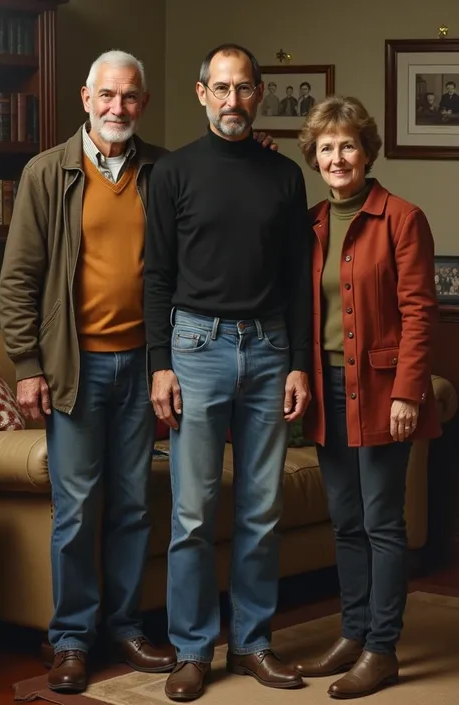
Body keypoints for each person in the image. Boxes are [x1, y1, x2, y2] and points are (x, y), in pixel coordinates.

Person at [0, 49, 178, 694]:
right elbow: (18, 277)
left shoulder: (164, 171)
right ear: (84, 97)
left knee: (132, 505)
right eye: (106, 96)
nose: (117, 108)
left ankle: (125, 626)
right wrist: (27, 364)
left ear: (144, 103)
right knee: (75, 509)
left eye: (129, 97)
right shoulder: (48, 173)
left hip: (144, 367)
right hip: (73, 370)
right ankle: (71, 639)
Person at [144, 43, 312, 701]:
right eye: (221, 88)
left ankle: (252, 642)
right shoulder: (174, 173)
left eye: (244, 88)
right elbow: (156, 275)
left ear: (260, 95)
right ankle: (192, 649)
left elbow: (298, 277)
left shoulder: (285, 175)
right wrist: (160, 364)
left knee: (261, 508)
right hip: (195, 348)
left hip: (270, 350)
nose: (233, 100)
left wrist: (298, 362)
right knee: (193, 511)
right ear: (201, 93)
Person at [295, 96, 441, 699]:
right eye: (326, 148)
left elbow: (419, 311)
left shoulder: (402, 218)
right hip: (328, 390)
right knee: (346, 521)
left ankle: (382, 649)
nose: (337, 157)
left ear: (367, 152)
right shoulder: (310, 223)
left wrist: (409, 391)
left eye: (347, 145)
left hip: (384, 390)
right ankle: (352, 635)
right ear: (314, 157)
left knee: (382, 523)